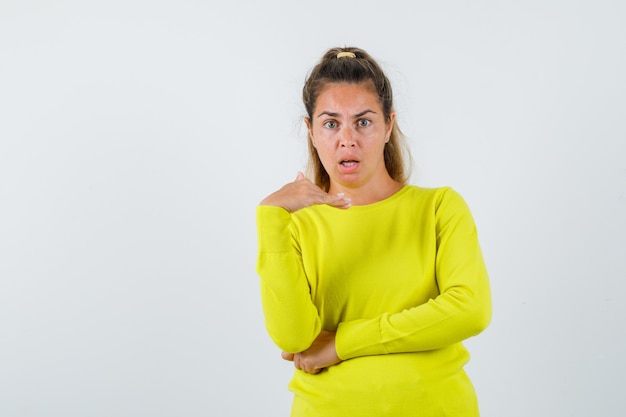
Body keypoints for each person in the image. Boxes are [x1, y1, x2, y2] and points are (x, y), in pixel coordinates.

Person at [255, 46, 492, 416]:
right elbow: (293, 338)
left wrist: (341, 343)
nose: (347, 139)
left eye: (363, 122)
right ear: (311, 132)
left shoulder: (440, 208)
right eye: (331, 123)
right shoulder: (296, 226)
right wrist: (270, 217)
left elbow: (469, 310)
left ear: (388, 126)